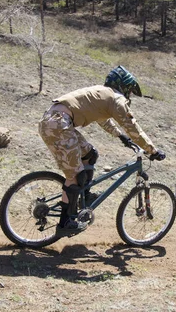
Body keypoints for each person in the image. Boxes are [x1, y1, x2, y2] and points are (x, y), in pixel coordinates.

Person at [38, 65, 166, 237]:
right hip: (59, 124)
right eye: (129, 91)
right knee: (75, 176)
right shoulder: (116, 98)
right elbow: (133, 127)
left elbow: (102, 119)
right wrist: (152, 150)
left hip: (55, 121)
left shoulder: (102, 93)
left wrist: (120, 136)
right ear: (124, 87)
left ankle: (84, 195)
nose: (129, 95)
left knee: (90, 155)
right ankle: (65, 222)